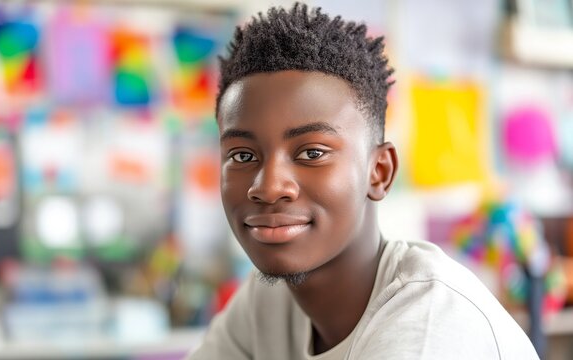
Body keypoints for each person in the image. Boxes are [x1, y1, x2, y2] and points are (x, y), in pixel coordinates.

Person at [188, 3, 539, 359]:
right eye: (243, 156)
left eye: (312, 153)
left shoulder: (430, 329)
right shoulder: (268, 303)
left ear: (379, 171)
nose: (268, 187)